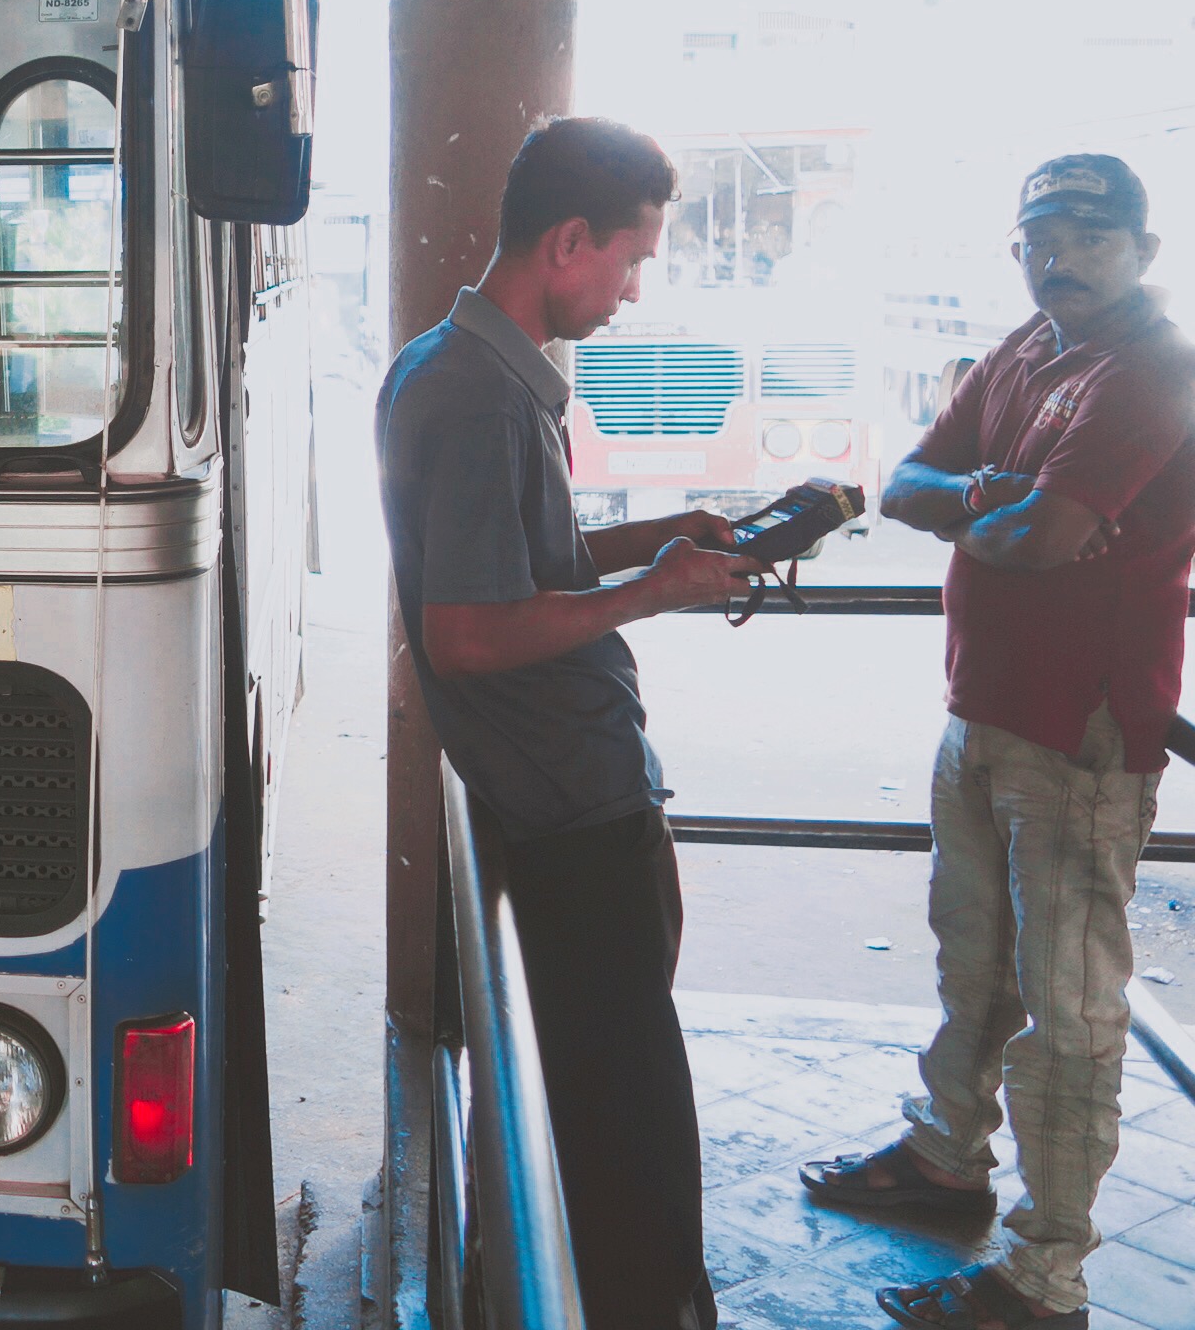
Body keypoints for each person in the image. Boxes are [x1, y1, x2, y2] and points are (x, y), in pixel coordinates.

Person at [377, 116, 757, 1330]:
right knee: (630, 1138)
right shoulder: (482, 398)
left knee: (599, 1110)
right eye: (632, 260)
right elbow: (467, 632)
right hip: (574, 816)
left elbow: (521, 566)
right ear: (570, 241)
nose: (633, 291)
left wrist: (659, 539)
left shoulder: (447, 364)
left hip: (561, 799)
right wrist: (654, 593)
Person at [801, 155, 1192, 1330]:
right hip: (982, 710)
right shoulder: (1027, 349)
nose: (1060, 258)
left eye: (1091, 237)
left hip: (1080, 731)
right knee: (971, 962)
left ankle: (1045, 1276)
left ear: (1144, 251)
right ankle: (946, 1157)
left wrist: (989, 510)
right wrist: (995, 497)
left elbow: (1045, 537)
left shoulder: (1152, 372)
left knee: (1067, 1010)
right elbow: (904, 486)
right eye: (1041, 238)